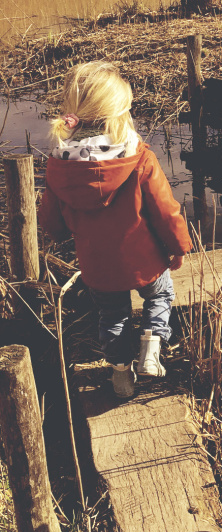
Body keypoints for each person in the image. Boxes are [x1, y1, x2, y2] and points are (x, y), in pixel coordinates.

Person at [39, 61, 193, 399]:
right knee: (162, 294)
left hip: (97, 266)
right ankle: (151, 347)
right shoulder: (138, 157)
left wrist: (60, 235)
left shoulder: (59, 164)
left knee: (112, 315)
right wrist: (179, 246)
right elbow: (166, 211)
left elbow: (51, 218)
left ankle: (121, 374)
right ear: (119, 114)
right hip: (145, 260)